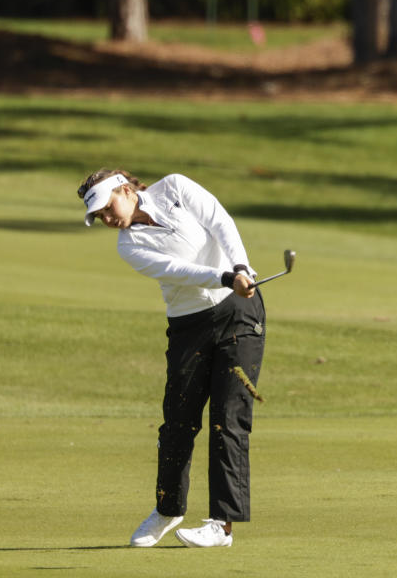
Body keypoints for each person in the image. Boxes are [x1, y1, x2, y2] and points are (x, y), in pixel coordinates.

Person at [77, 169, 265, 548]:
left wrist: (241, 267)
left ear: (126, 190)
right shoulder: (128, 246)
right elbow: (177, 270)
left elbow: (219, 220)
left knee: (229, 418)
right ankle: (168, 509)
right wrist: (226, 276)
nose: (107, 220)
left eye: (108, 208)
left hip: (239, 316)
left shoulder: (175, 187)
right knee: (178, 422)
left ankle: (221, 524)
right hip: (189, 325)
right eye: (99, 217)